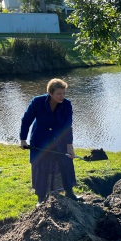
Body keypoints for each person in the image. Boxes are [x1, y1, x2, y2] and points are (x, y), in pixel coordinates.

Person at [20, 78, 81, 206]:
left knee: (66, 163)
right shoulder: (37, 102)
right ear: (50, 93)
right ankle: (41, 198)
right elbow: (26, 120)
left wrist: (69, 146)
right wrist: (23, 139)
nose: (62, 96)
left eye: (64, 93)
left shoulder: (67, 104)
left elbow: (67, 126)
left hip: (60, 140)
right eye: (59, 93)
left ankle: (69, 192)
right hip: (40, 140)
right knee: (41, 167)